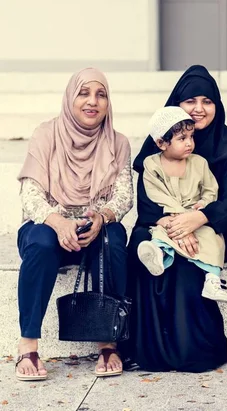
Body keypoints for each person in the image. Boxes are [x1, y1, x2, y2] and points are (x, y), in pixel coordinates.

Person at [124, 65, 227, 372]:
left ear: (217, 105)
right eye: (191, 101)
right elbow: (147, 202)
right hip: (162, 224)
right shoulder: (159, 142)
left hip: (211, 228)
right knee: (141, 245)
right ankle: (147, 351)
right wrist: (176, 223)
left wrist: (197, 219)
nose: (199, 109)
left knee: (186, 266)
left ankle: (194, 352)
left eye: (207, 101)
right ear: (177, 104)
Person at [15, 68, 133, 381]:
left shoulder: (118, 143)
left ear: (108, 103)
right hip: (47, 225)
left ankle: (109, 341)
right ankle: (28, 344)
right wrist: (58, 222)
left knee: (115, 239)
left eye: (101, 94)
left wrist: (102, 217)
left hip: (92, 227)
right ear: (70, 97)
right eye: (84, 93)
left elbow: (123, 197)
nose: (92, 101)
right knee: (40, 242)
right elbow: (30, 193)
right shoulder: (46, 134)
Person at [138, 106, 227, 302]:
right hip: (170, 216)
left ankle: (213, 279)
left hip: (196, 217)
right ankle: (159, 255)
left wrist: (203, 204)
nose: (189, 143)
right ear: (161, 143)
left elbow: (211, 189)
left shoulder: (199, 163)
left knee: (212, 238)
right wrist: (178, 217)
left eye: (191, 137)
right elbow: (156, 193)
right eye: (182, 139)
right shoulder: (151, 165)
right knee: (160, 233)